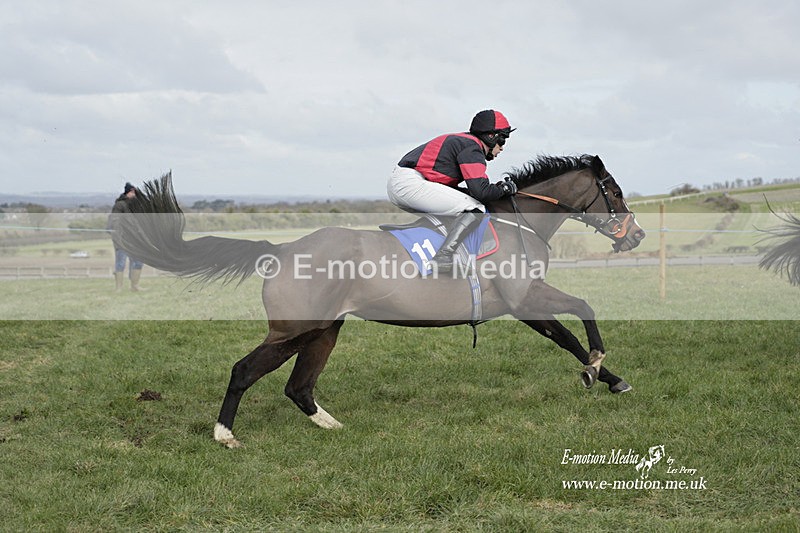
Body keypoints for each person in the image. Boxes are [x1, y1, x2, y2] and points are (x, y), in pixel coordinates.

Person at [387, 109, 518, 272]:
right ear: (491, 137)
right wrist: (504, 189)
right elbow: (482, 192)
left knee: (465, 204)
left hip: (406, 182)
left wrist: (496, 189)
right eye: (502, 140)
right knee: (475, 209)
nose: (502, 148)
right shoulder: (471, 148)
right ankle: (443, 257)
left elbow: (471, 191)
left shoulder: (465, 142)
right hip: (409, 183)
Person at [107, 182, 145, 291]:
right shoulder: (119, 205)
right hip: (121, 239)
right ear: (128, 192)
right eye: (133, 192)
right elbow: (115, 222)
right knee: (120, 263)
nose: (135, 194)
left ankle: (135, 286)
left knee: (138, 261)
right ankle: (118, 288)